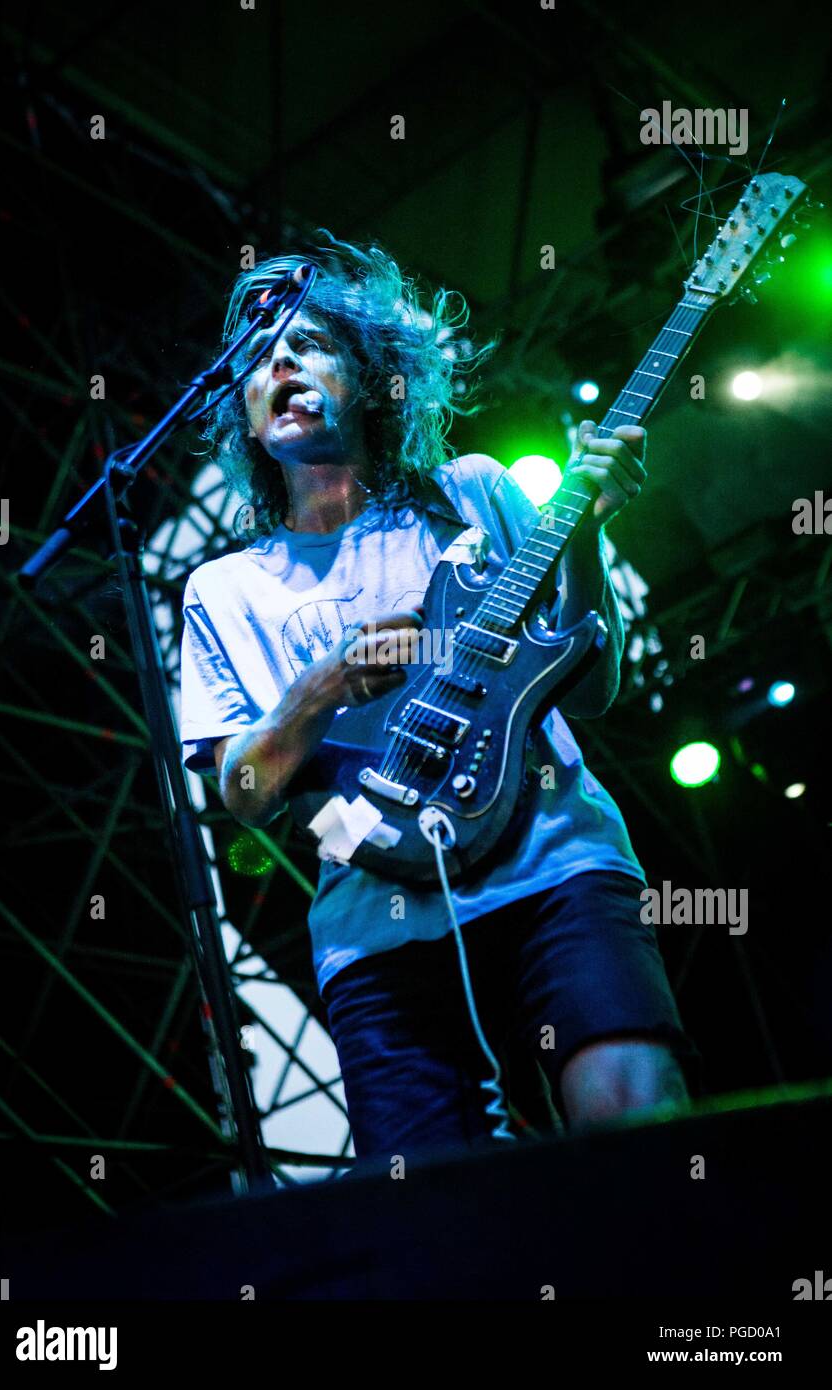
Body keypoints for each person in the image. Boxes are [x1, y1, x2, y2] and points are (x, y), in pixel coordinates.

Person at [180, 234, 700, 1166]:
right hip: (375, 924)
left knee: (641, 1138)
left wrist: (585, 534)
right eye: (260, 358)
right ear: (245, 414)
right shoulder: (226, 587)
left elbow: (596, 688)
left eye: (310, 345)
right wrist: (325, 684)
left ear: (376, 376)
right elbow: (245, 793)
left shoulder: (472, 494)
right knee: (437, 1225)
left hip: (555, 865)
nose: (282, 364)